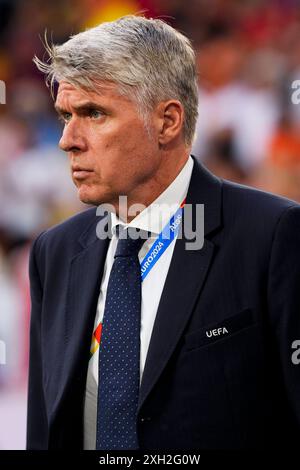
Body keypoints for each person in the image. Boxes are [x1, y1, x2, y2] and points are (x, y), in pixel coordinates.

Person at [27, 15, 300, 450]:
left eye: (93, 113)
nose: (67, 139)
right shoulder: (54, 252)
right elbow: (45, 430)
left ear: (168, 122)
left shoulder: (272, 236)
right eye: (64, 115)